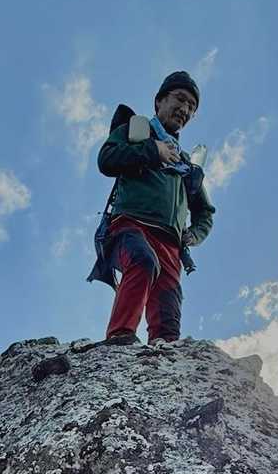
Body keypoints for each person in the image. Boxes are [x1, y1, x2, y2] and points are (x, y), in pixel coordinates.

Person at [92, 70, 215, 345]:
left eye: (191, 107)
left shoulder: (186, 164)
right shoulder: (136, 132)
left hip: (171, 244)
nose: (185, 109)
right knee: (143, 261)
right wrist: (152, 150)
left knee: (169, 306)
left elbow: (205, 211)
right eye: (180, 99)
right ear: (159, 101)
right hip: (130, 226)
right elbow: (107, 159)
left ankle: (164, 355)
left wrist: (194, 234)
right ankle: (120, 337)